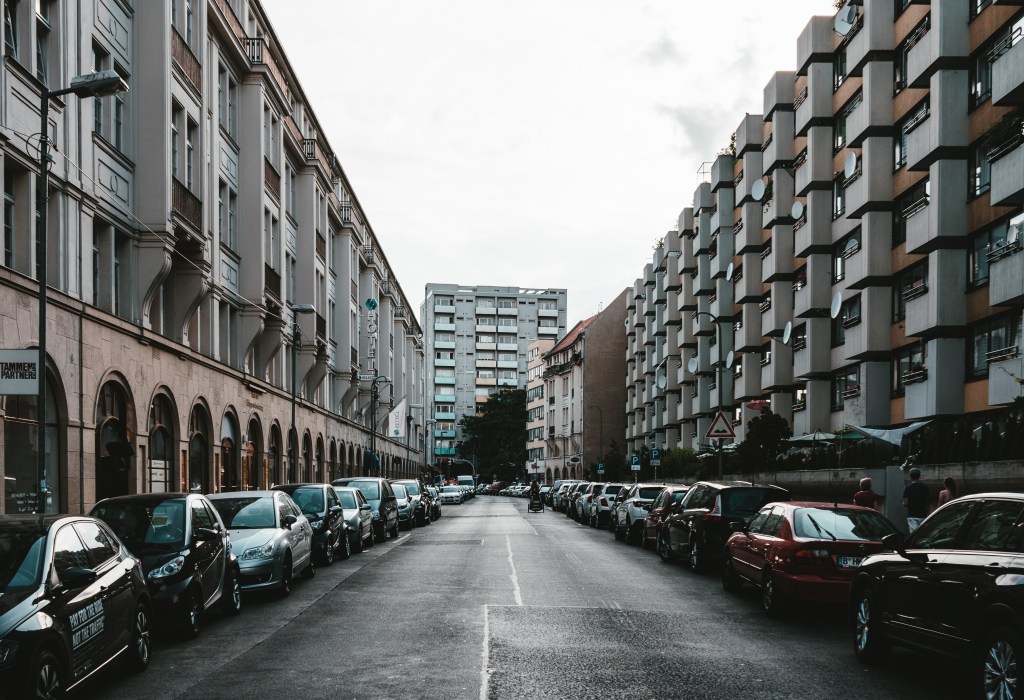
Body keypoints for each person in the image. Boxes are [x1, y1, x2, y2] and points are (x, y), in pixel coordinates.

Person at [902, 467, 929, 533]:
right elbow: (928, 502)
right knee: (922, 534)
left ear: (911, 476)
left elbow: (905, 503)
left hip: (912, 516)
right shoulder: (925, 487)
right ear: (919, 476)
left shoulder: (908, 488)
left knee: (914, 535)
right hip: (923, 515)